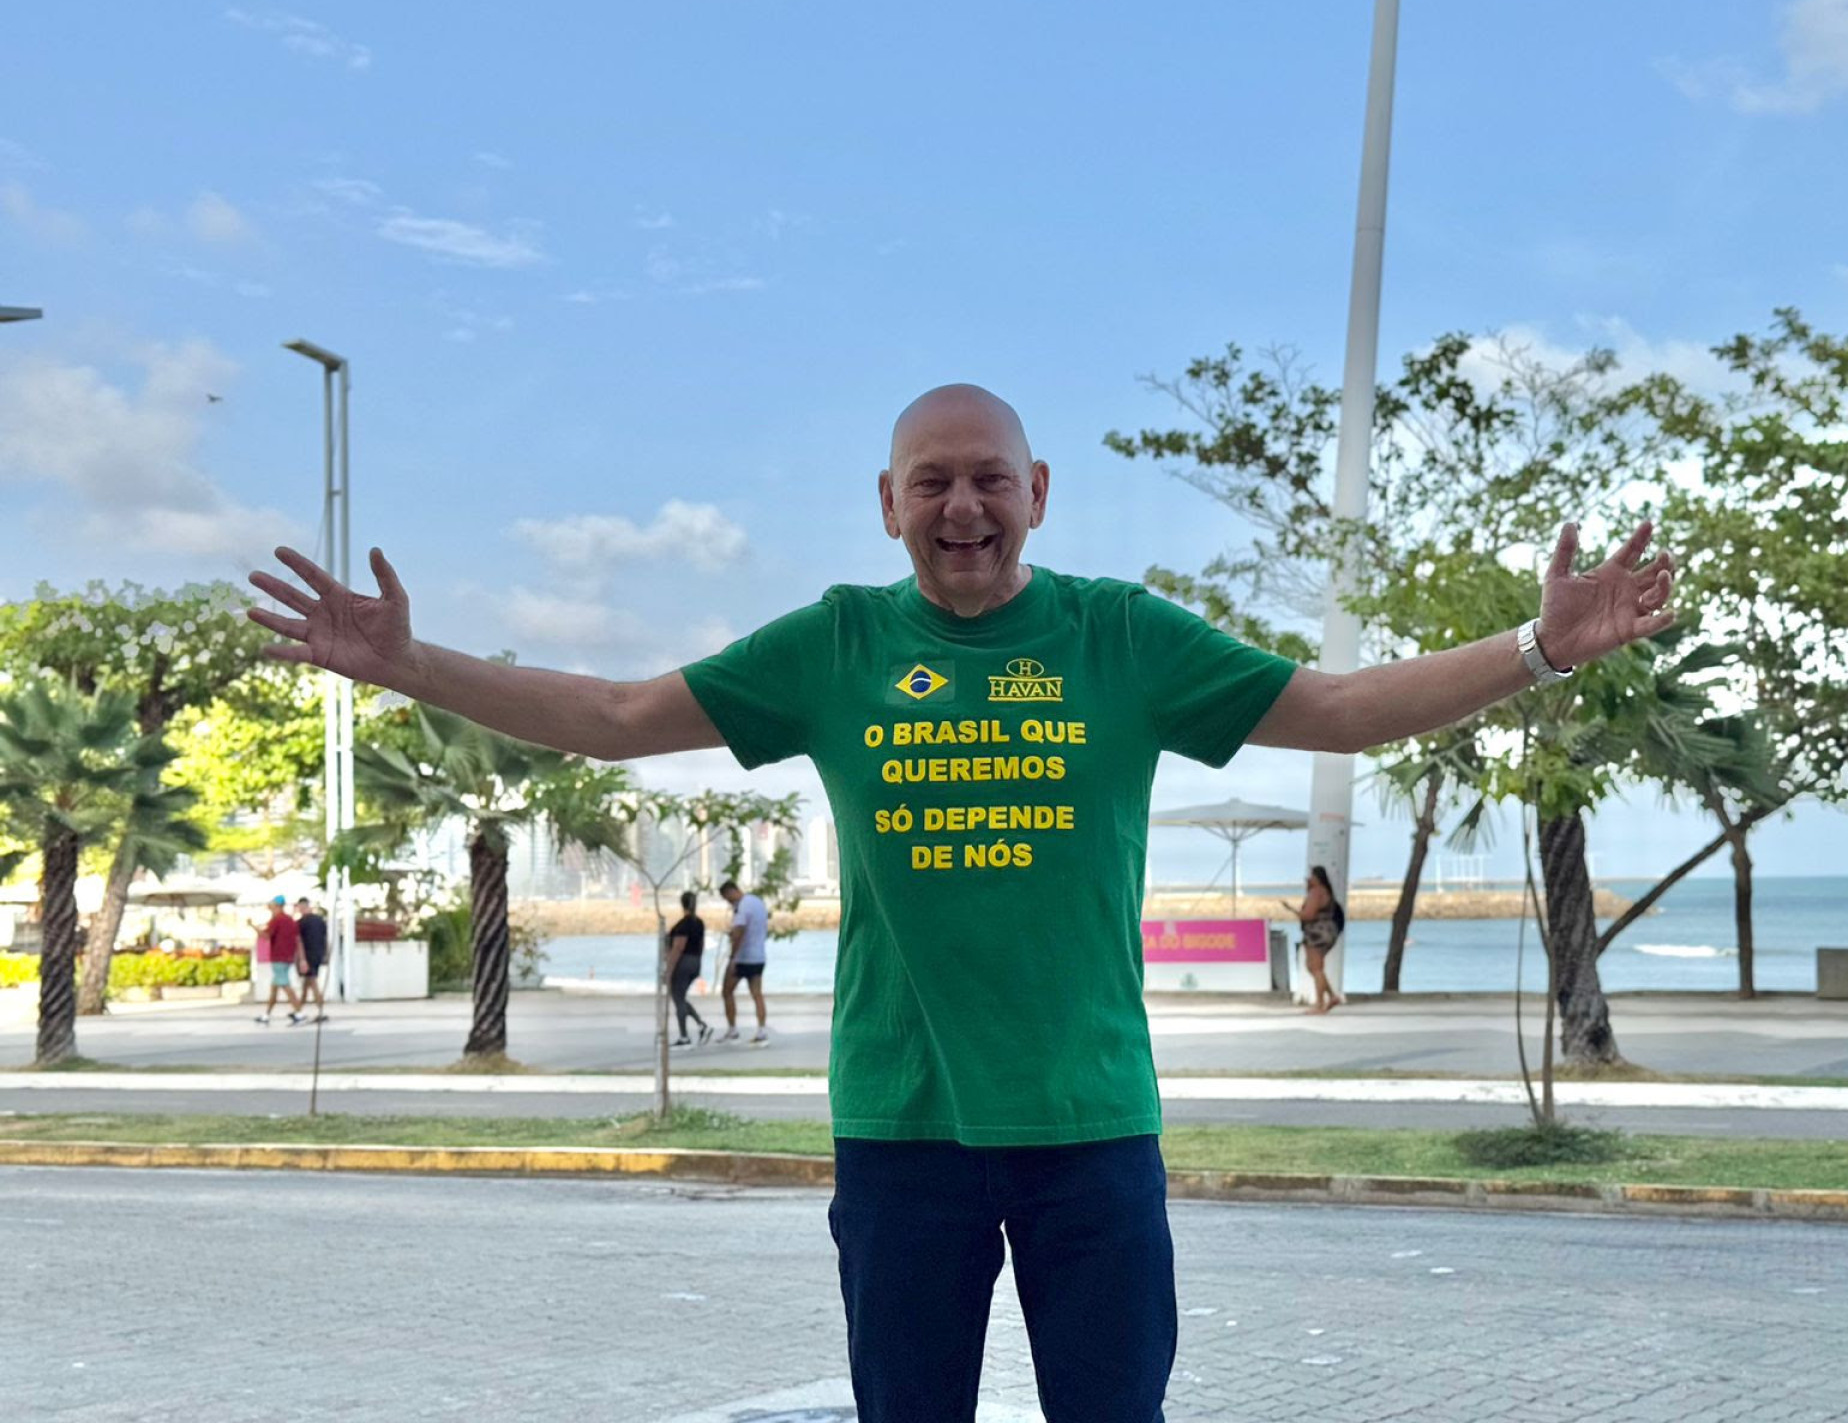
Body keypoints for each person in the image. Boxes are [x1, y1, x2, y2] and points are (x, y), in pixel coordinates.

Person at [247, 383, 1675, 1422]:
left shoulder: (1122, 635)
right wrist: (412, 664)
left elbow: (1344, 708)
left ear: (1038, 492)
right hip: (902, 1128)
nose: (963, 505)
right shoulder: (838, 642)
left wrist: (1541, 646)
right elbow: (619, 712)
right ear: (888, 505)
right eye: (931, 481)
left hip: (1091, 1125)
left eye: (988, 477)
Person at [717, 879, 771, 1045]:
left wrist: (733, 957)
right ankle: (761, 1030)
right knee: (757, 994)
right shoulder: (757, 902)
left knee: (727, 991)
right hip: (758, 956)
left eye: (727, 898)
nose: (728, 902)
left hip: (743, 958)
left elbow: (739, 931)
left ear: (731, 891)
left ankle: (732, 1029)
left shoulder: (742, 906)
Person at [1292, 864, 1346, 1013]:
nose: (1307, 879)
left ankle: (1320, 1004)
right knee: (1313, 966)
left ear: (1316, 878)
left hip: (1317, 933)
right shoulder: (1325, 892)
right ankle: (1332, 995)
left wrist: (1297, 913)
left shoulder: (1316, 892)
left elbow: (1309, 915)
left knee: (1316, 967)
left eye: (1310, 876)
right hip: (1325, 931)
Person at [665, 889, 712, 1047]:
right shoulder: (699, 923)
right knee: (681, 999)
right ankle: (701, 1025)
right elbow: (702, 944)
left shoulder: (683, 926)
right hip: (695, 961)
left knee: (678, 999)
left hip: (683, 963)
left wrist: (669, 970)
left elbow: (678, 948)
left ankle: (684, 1036)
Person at [253, 896, 303, 1025]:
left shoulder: (277, 920)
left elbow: (266, 936)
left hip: (278, 957)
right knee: (274, 987)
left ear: (277, 906)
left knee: (285, 985)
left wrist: (253, 927)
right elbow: (297, 939)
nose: (271, 909)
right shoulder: (290, 920)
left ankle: (299, 1013)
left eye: (273, 906)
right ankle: (266, 1015)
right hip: (287, 956)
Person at [292, 897, 329, 1023]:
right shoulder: (320, 920)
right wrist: (325, 954)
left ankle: (320, 1010)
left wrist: (302, 959)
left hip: (307, 956)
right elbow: (325, 938)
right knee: (307, 984)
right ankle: (299, 1009)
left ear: (301, 907)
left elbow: (299, 941)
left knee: (312, 983)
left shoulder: (301, 923)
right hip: (318, 954)